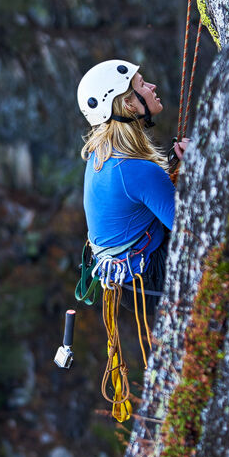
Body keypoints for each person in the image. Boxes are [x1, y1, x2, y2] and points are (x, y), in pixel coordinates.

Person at [77, 59, 188, 320]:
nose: (153, 86)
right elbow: (191, 229)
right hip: (147, 280)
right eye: (142, 84)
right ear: (128, 104)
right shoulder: (135, 170)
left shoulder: (101, 152)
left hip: (126, 280)